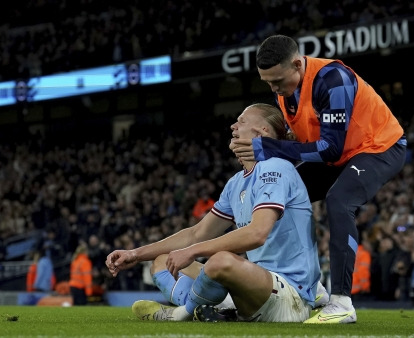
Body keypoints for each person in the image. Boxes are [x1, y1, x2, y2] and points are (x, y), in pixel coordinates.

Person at [230, 34, 407, 323]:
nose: (274, 89)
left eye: (278, 81)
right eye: (268, 83)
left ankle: (342, 302)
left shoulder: (332, 79)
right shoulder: (286, 91)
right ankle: (313, 289)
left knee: (339, 200)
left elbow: (329, 148)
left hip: (379, 148)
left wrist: (267, 147)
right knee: (280, 196)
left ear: (298, 64)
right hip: (341, 156)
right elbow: (306, 144)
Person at [105, 103, 323, 322]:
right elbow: (196, 233)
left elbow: (257, 233)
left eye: (242, 121)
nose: (233, 125)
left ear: (261, 131)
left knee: (220, 262)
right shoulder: (236, 182)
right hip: (254, 288)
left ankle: (180, 313)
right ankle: (219, 310)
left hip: (289, 298)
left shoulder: (276, 167)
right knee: (163, 261)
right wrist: (135, 254)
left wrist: (192, 251)